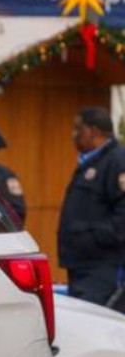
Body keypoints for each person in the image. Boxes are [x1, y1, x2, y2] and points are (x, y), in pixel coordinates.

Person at [57, 107, 125, 307]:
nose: (73, 135)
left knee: (97, 329)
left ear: (92, 131)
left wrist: (91, 238)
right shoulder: (91, 161)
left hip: (102, 269)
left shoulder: (117, 161)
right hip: (82, 267)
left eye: (77, 129)